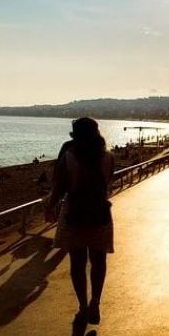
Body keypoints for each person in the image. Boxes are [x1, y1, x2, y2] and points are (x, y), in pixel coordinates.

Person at [45, 117, 115, 325]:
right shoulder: (108, 157)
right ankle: (95, 303)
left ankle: (83, 306)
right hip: (100, 214)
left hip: (74, 214)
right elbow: (108, 182)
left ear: (75, 136)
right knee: (98, 262)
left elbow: (59, 187)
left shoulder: (69, 157)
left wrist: (49, 207)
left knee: (77, 263)